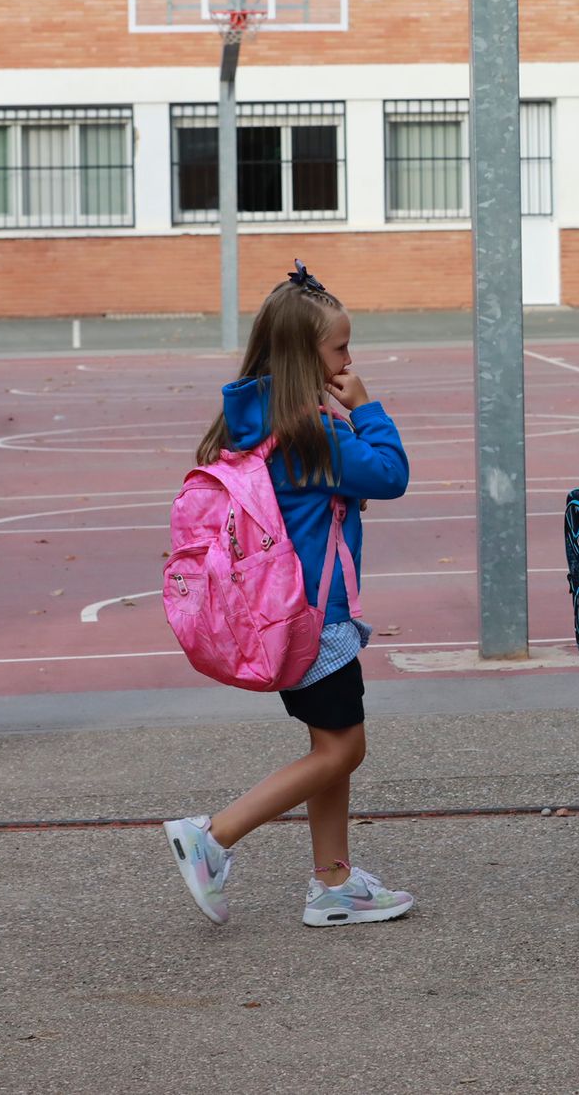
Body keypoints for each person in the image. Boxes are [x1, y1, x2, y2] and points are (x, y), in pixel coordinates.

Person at [161, 263, 414, 928]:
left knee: (329, 744)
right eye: (340, 348)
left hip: (274, 616)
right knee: (343, 749)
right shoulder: (313, 433)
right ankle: (212, 837)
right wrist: (366, 408)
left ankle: (334, 883)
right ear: (308, 358)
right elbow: (391, 474)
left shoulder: (249, 424)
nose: (349, 359)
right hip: (314, 620)